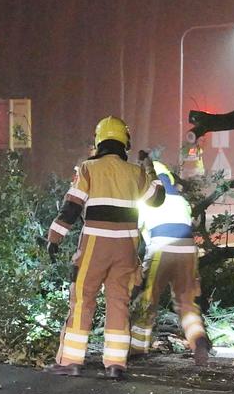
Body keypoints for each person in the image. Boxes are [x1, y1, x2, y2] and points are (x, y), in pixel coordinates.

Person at [45, 117, 165, 379]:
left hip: (94, 247)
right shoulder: (136, 173)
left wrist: (54, 237)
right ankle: (115, 365)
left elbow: (72, 207)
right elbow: (157, 199)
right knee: (119, 301)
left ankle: (70, 361)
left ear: (99, 141)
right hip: (125, 248)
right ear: (125, 142)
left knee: (82, 299)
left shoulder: (88, 169)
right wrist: (150, 169)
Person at [130, 159, 212, 366]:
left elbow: (138, 232)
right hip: (187, 250)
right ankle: (198, 339)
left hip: (161, 247)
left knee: (147, 298)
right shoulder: (181, 200)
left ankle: (138, 347)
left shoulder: (146, 199)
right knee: (187, 302)